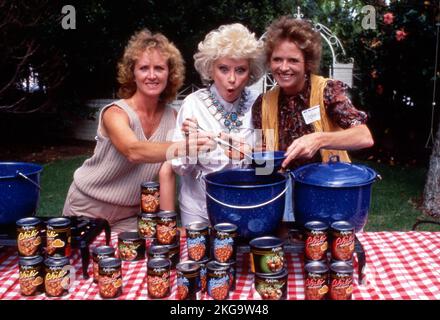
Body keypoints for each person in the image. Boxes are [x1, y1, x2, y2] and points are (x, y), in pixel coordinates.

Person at [62, 29, 215, 232]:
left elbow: (166, 170)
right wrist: (185, 146)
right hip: (87, 207)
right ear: (132, 73)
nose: (152, 75)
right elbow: (133, 151)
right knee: (79, 263)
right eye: (144, 68)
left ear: (169, 74)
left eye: (159, 68)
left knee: (130, 263)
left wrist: (168, 224)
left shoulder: (173, 118)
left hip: (130, 216)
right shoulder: (115, 112)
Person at [252, 16, 374, 220]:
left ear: (307, 63)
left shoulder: (327, 91)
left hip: (329, 191)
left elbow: (364, 136)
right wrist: (248, 153)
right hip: (281, 196)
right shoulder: (262, 104)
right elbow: (263, 160)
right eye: (277, 59)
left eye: (293, 60)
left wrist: (320, 140)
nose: (283, 67)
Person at [171, 23, 265, 226]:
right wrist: (191, 147)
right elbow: (177, 166)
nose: (232, 79)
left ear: (250, 72)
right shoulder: (193, 104)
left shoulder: (260, 103)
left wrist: (250, 154)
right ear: (210, 69)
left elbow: (269, 168)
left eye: (240, 70)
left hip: (247, 205)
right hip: (199, 208)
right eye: (223, 69)